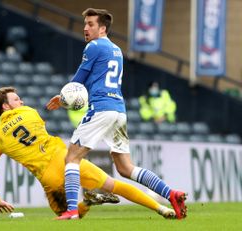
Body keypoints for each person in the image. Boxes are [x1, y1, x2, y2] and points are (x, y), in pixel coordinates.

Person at [46, 8, 187, 220]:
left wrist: (63, 96)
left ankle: (72, 210)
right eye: (85, 24)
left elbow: (79, 78)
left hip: (101, 108)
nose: (85, 28)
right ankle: (170, 193)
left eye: (91, 24)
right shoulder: (117, 50)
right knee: (125, 167)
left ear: (102, 28)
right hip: (118, 111)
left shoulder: (93, 46)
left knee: (72, 158)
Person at [0, 87, 176, 220]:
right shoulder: (30, 112)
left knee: (67, 215)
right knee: (114, 185)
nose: (21, 100)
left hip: (47, 176)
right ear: (5, 106)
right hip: (66, 159)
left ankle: (87, 202)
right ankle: (162, 208)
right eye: (16, 99)